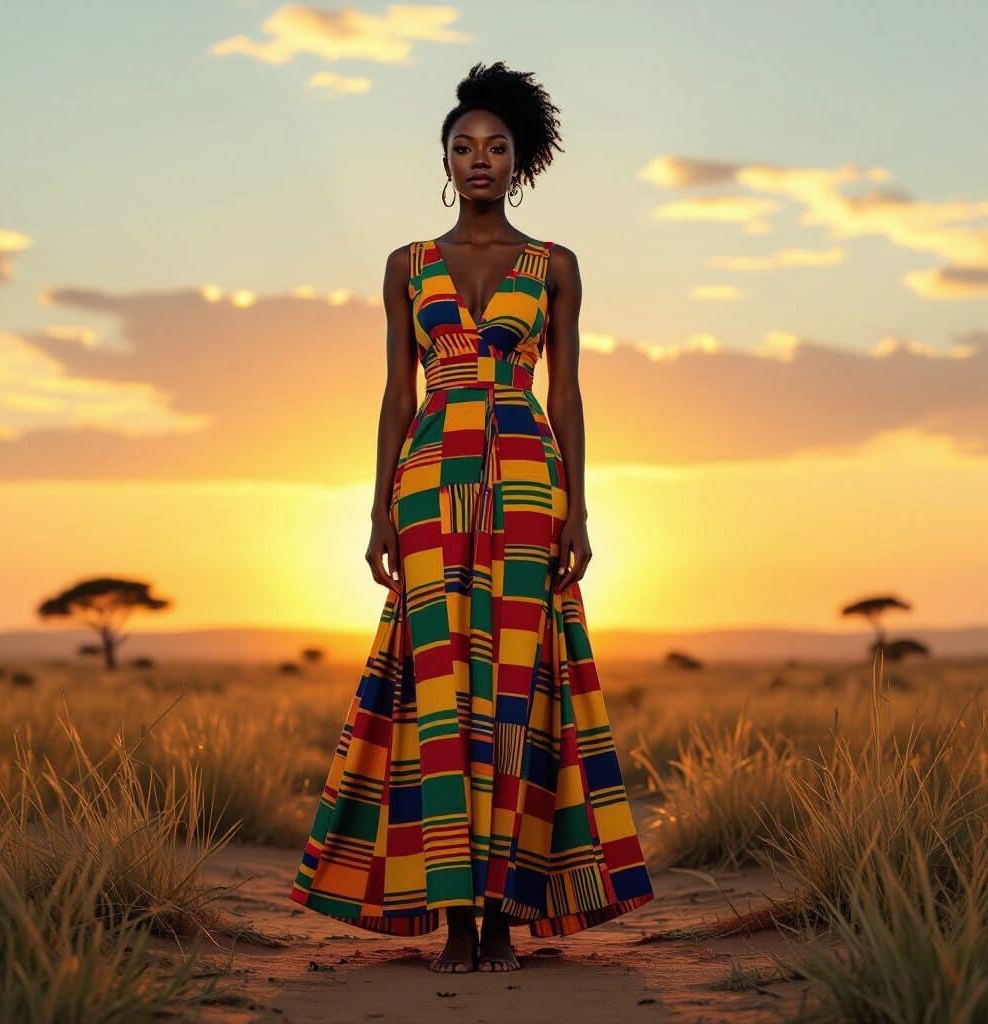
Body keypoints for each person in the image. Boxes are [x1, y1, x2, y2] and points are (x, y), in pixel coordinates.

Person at [289, 60, 654, 974]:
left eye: (495, 147)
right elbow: (392, 392)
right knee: (442, 689)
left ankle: (505, 918)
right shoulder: (407, 267)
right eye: (463, 147)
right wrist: (376, 509)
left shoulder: (555, 266)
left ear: (520, 159)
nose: (478, 160)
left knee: (519, 689)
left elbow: (566, 396)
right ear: (444, 160)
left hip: (529, 477)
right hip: (427, 480)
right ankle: (453, 916)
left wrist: (577, 507)